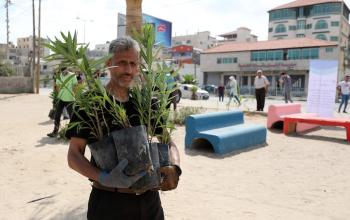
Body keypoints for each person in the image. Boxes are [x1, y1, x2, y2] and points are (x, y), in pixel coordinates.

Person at [65, 36, 181, 220]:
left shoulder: (145, 102)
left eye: (133, 64)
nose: (128, 70)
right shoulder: (90, 103)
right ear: (108, 63)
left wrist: (174, 166)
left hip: (149, 202)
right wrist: (103, 177)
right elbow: (73, 155)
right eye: (122, 63)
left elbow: (168, 142)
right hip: (108, 203)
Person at [47, 67, 77, 137]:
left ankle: (74, 133)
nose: (63, 72)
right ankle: (55, 132)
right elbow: (57, 86)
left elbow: (75, 85)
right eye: (62, 71)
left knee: (72, 117)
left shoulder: (72, 75)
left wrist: (74, 95)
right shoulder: (59, 76)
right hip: (61, 99)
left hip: (70, 99)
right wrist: (58, 94)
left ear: (67, 69)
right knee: (57, 116)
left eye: (65, 70)